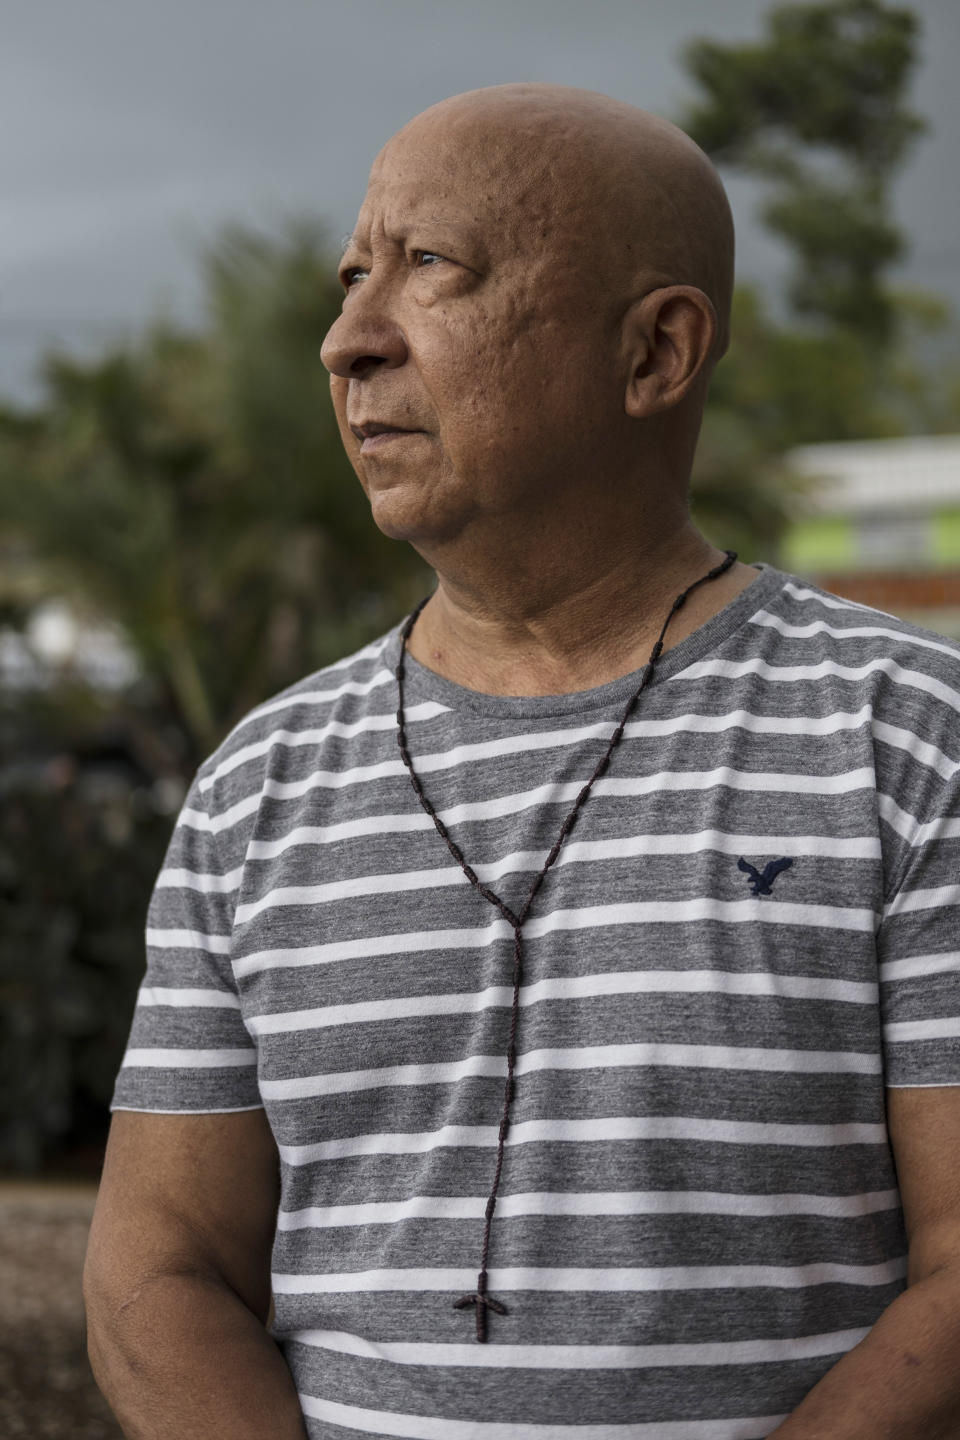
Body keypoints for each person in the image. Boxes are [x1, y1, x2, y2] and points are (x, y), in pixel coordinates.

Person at [83, 83, 960, 1440]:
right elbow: (156, 1268)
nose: (345, 343)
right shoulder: (258, 789)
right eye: (350, 276)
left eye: (431, 268)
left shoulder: (905, 740)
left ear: (655, 353)